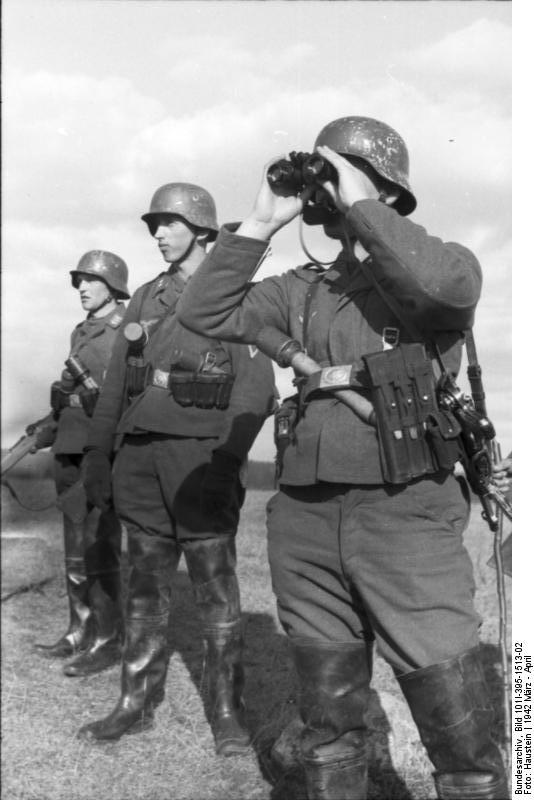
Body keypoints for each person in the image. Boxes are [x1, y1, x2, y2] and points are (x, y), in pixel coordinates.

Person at [179, 118, 508, 799]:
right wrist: (261, 223)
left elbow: (443, 288)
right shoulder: (300, 288)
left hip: (405, 516)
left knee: (457, 724)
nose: (327, 190)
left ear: (386, 191)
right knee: (328, 723)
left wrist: (361, 201)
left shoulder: (439, 272)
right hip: (304, 518)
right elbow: (203, 313)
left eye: (343, 176)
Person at [77, 183, 276, 756]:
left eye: (169, 223)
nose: (158, 234)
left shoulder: (237, 294)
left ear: (202, 229)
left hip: (201, 458)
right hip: (140, 455)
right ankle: (134, 702)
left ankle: (227, 710)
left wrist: (227, 461)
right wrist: (98, 452)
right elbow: (118, 382)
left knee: (215, 591)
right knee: (144, 587)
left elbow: (256, 388)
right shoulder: (145, 296)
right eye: (154, 226)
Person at [33, 250, 129, 678]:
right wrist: (48, 427)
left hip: (100, 448)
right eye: (79, 282)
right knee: (75, 545)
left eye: (91, 281)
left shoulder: (125, 330)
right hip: (69, 443)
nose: (82, 288)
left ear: (113, 286)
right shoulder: (82, 330)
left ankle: (109, 640)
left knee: (100, 543)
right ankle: (79, 631)